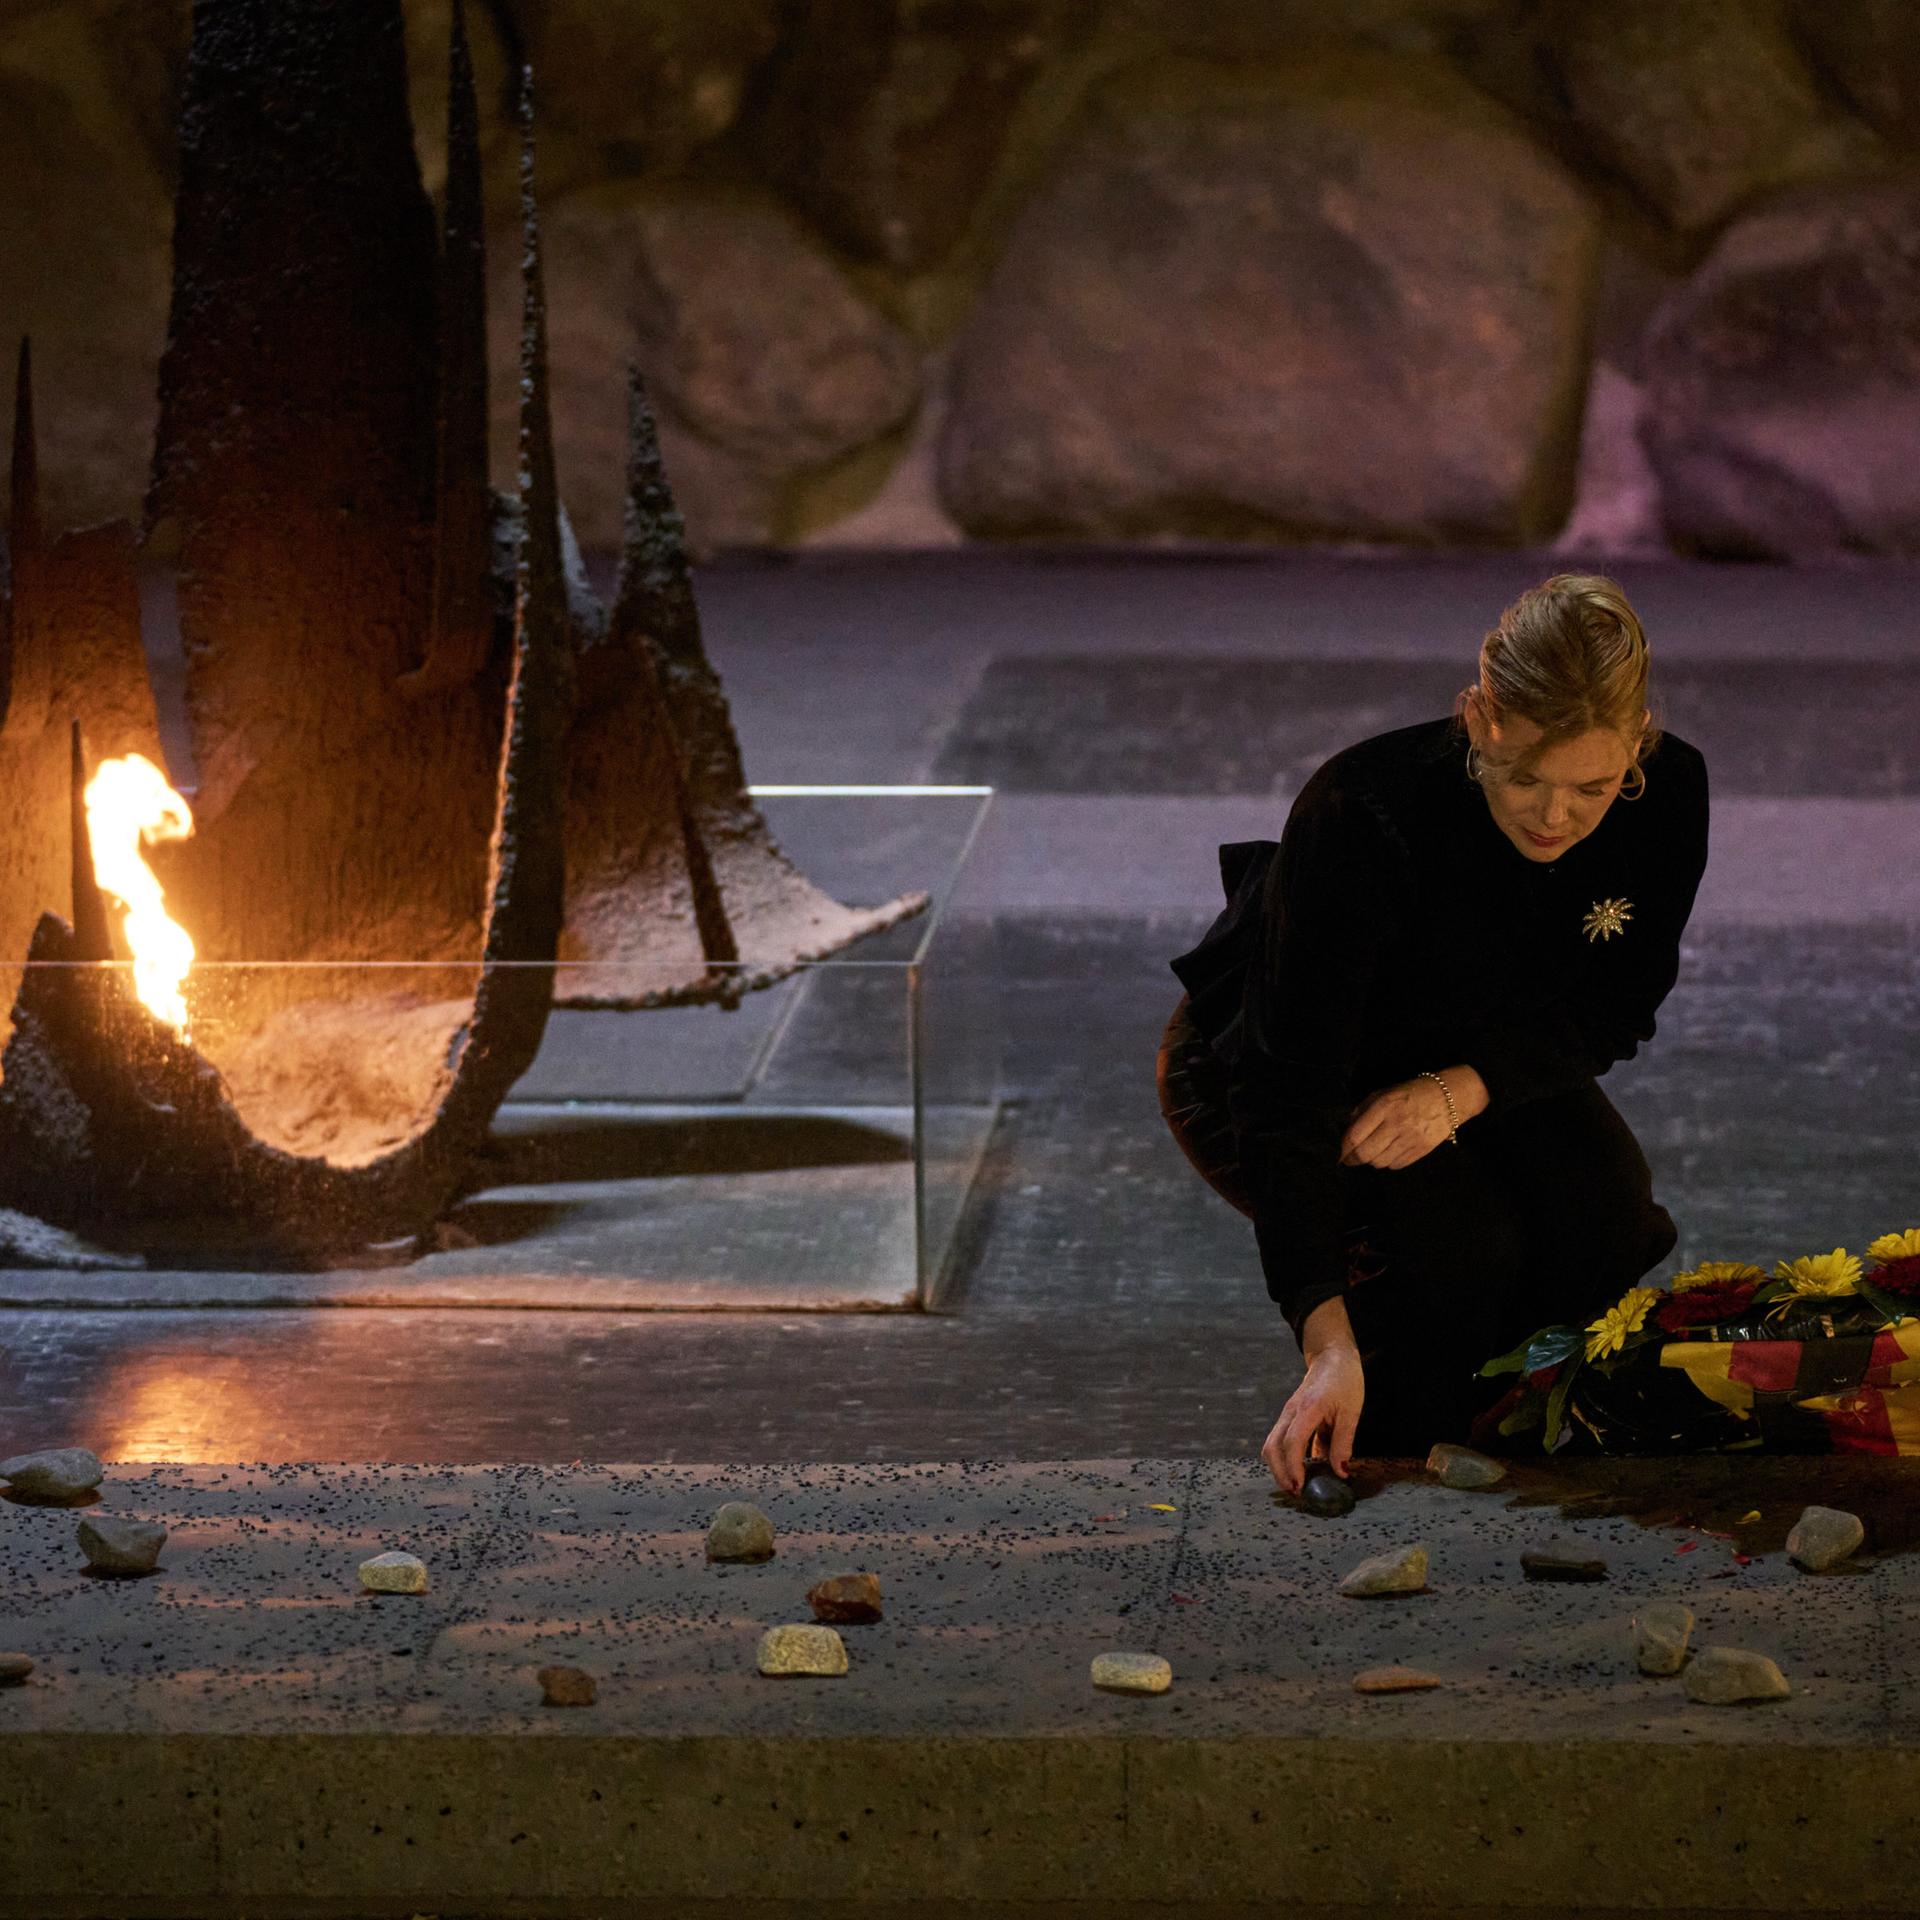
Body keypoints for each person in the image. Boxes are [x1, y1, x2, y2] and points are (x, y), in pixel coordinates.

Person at [1156, 573, 1709, 1493]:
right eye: (1525, 774)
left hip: (1477, 1043)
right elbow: (1285, 1089)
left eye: (1594, 785)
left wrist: (1460, 1088)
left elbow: (1617, 1005)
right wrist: (1323, 1341)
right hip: (1281, 1058)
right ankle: (1388, 1432)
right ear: (1478, 720)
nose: (1555, 815)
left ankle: (1516, 1429)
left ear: (1639, 741)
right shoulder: (1362, 812)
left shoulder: (1669, 790)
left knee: (1605, 1217)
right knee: (1458, 1252)